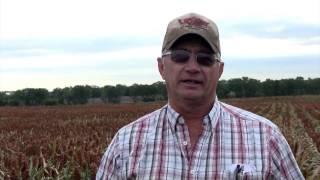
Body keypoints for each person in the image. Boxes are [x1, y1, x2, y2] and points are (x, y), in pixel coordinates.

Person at [96, 13, 304, 179]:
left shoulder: (266, 138)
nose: (192, 67)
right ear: (161, 67)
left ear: (220, 70)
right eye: (180, 57)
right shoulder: (126, 143)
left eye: (205, 59)